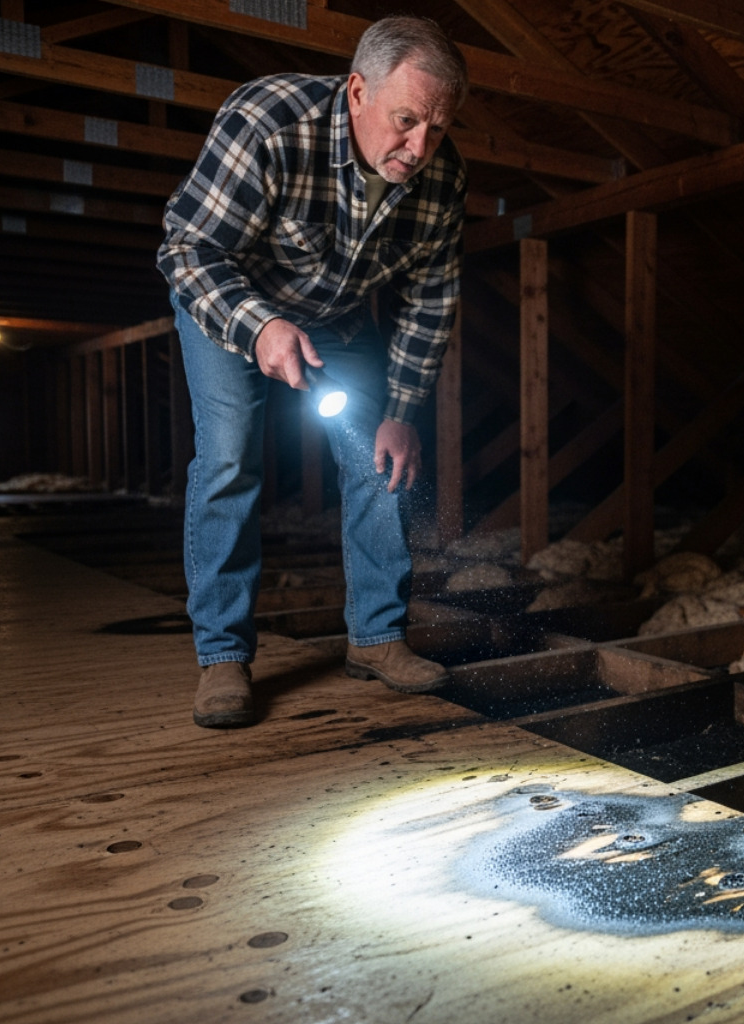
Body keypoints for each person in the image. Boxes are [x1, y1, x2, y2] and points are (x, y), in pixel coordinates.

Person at [157, 16, 467, 728]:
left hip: (337, 317)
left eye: (438, 130)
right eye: (406, 120)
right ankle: (224, 655)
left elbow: (430, 301)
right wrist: (259, 325)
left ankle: (379, 638)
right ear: (358, 91)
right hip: (228, 299)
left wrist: (402, 410)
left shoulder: (443, 180)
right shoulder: (268, 121)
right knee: (231, 457)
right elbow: (188, 249)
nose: (419, 148)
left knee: (378, 461)